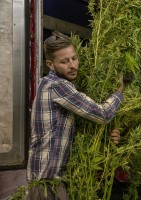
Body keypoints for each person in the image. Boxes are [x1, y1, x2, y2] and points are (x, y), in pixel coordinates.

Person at [27, 31, 124, 199]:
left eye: (74, 58)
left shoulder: (54, 85)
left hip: (50, 182)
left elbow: (78, 128)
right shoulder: (57, 86)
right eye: (64, 61)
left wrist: (108, 137)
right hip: (46, 185)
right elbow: (103, 114)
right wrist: (119, 92)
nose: (73, 65)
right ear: (50, 64)